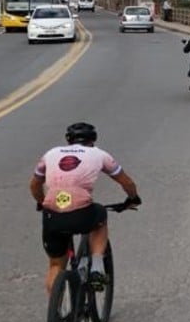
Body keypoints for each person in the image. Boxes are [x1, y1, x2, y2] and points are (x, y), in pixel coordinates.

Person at [31, 122, 140, 296]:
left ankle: (59, 312)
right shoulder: (99, 154)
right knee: (99, 216)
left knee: (55, 265)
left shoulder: (51, 153)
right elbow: (126, 182)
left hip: (52, 214)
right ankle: (96, 267)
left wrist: (41, 201)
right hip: (82, 214)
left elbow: (35, 185)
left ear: (68, 139)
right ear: (93, 139)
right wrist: (133, 198)